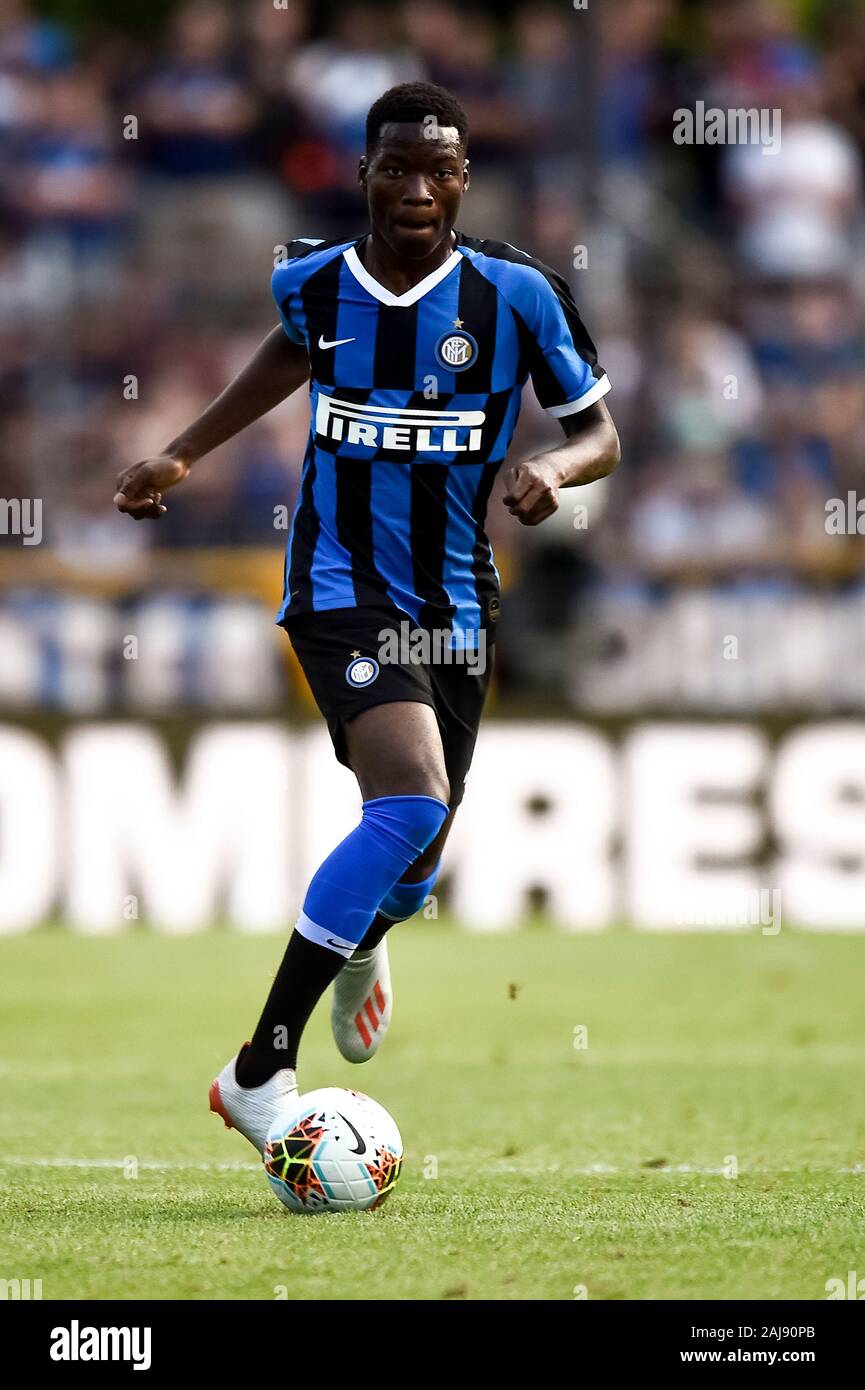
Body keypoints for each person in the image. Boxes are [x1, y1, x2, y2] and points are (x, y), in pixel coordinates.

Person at [113, 82, 620, 1154]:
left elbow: (599, 433)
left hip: (457, 598)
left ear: (465, 180)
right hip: (338, 587)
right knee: (410, 800)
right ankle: (259, 1069)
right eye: (397, 168)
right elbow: (290, 351)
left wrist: (554, 469)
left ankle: (359, 941)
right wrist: (184, 452)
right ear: (364, 176)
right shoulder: (313, 282)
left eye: (440, 170)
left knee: (417, 854)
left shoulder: (517, 295)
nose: (417, 190)